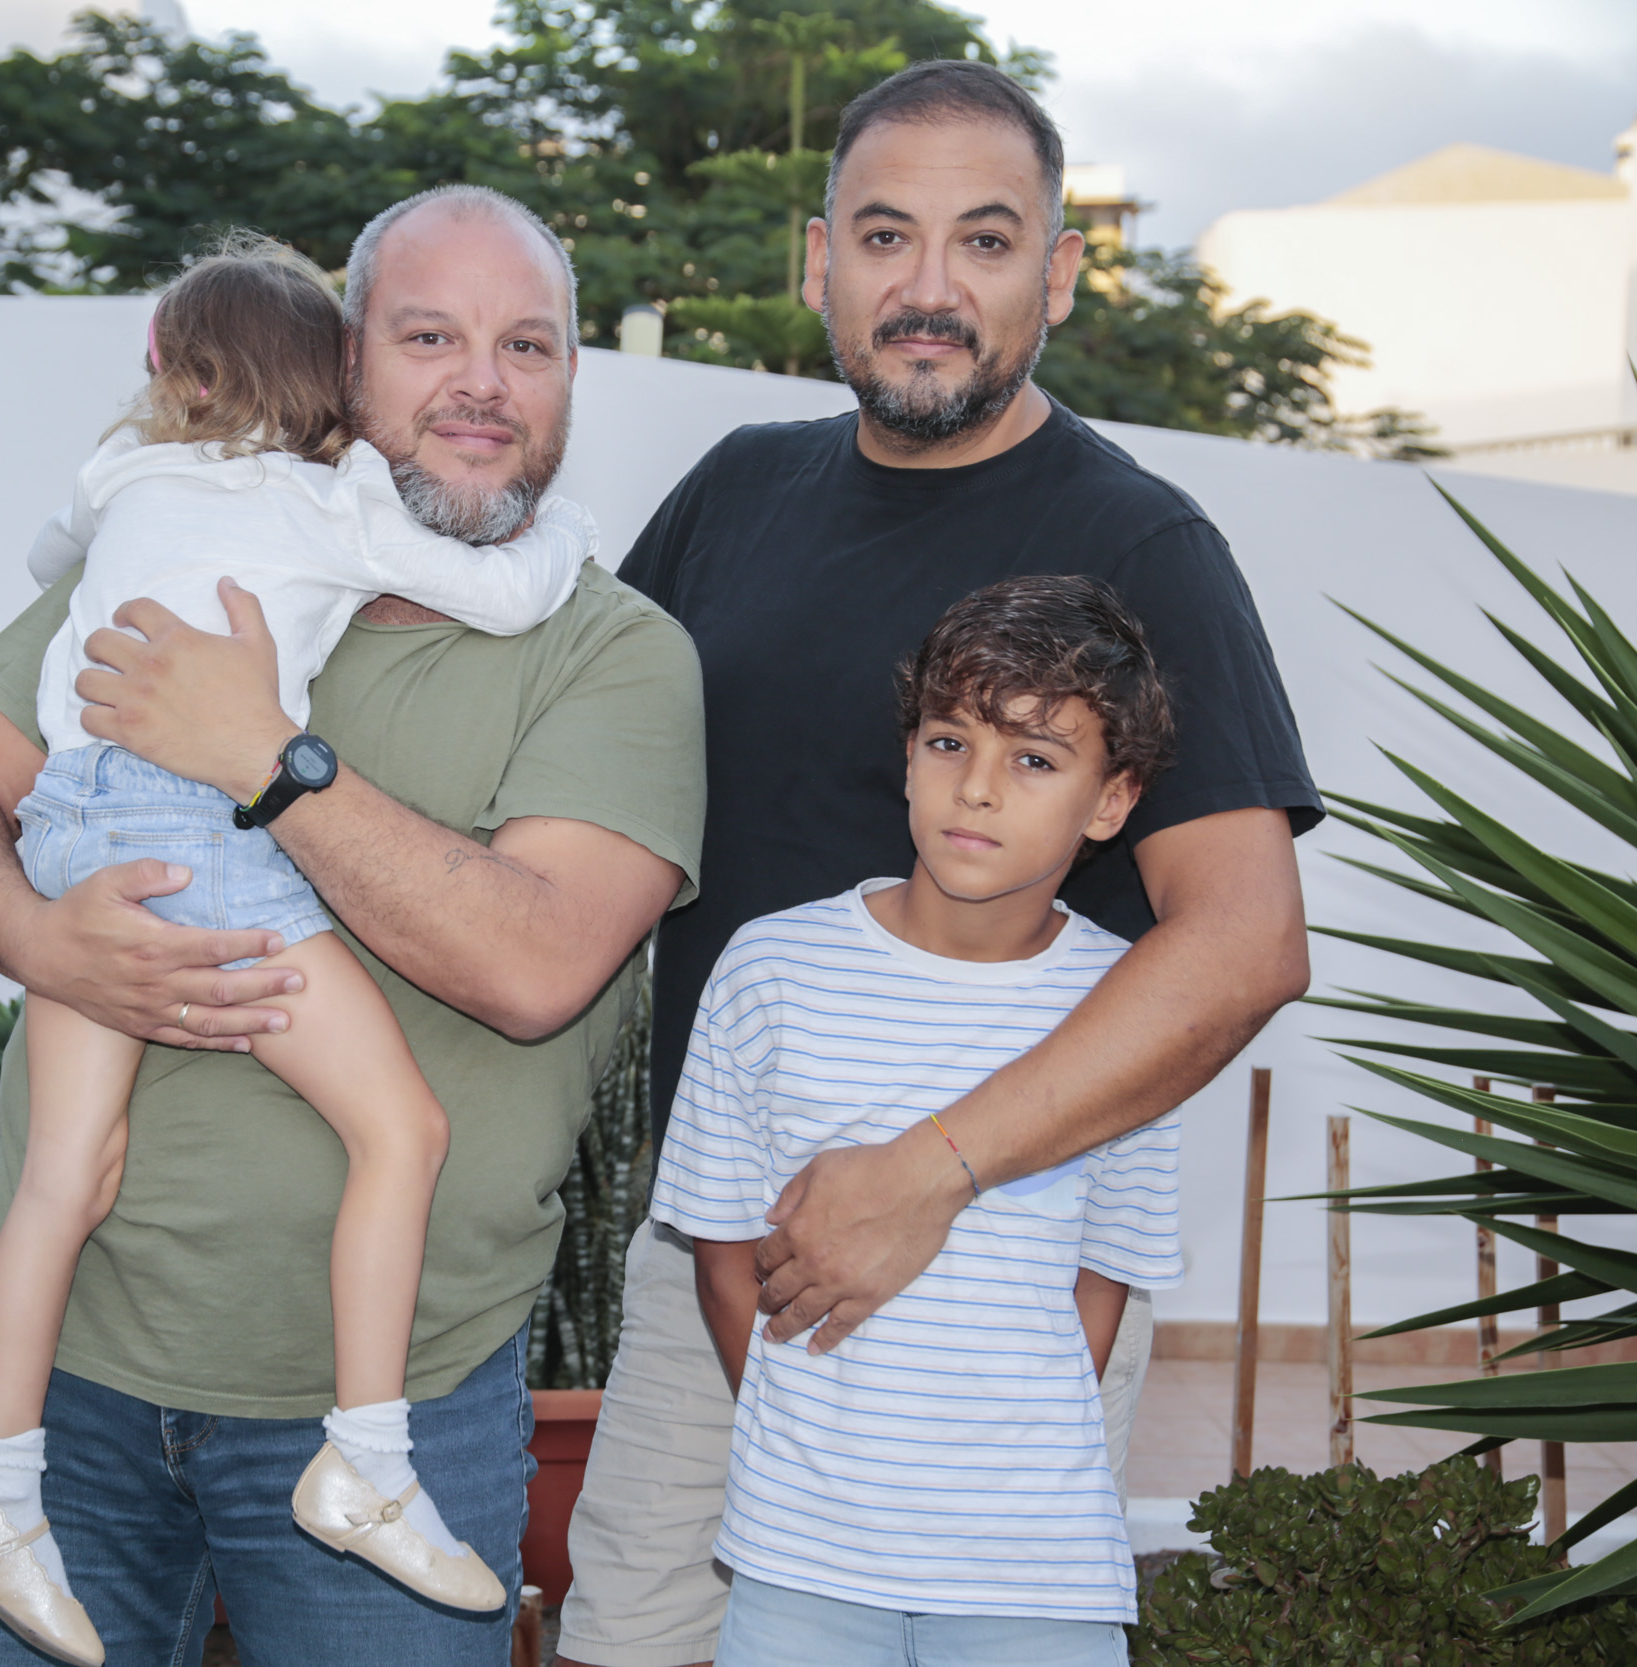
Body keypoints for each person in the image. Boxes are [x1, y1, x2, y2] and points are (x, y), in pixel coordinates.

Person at [0, 183, 706, 1666]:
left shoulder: (615, 650)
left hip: (394, 1396)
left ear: (574, 375)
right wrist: (40, 937)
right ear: (344, 360)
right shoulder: (187, 541)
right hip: (66, 1382)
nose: (483, 382)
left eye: (531, 345)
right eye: (431, 334)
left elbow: (532, 962)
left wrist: (264, 753)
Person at [558, 59, 1319, 1667]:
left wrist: (928, 1176)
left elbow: (1243, 940)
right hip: (726, 1265)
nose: (928, 288)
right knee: (636, 1641)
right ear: (818, 262)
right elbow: (567, 793)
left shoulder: (1142, 542)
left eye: (985, 242)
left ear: (1055, 273)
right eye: (887, 237)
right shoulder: (731, 496)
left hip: (994, 1290)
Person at [660, 576, 1183, 1667]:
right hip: (801, 1564)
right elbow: (721, 1259)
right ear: (907, 755)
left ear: (1110, 801)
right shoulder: (771, 967)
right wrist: (817, 1467)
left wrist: (983, 1482)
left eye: (1034, 759)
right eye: (950, 742)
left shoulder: (1132, 1010)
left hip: (1034, 1574)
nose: (977, 790)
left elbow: (1100, 1289)